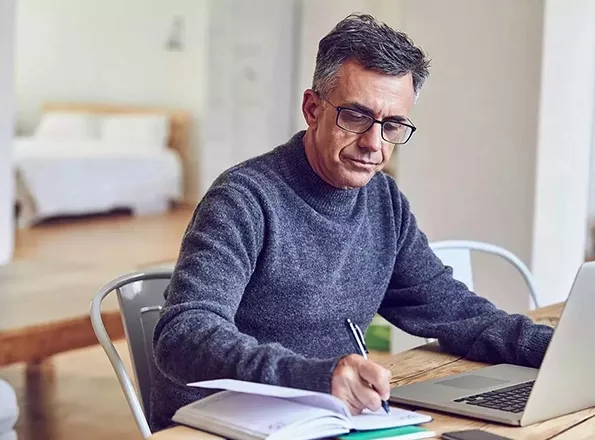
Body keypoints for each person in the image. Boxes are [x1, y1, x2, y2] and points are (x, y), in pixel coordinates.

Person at [150, 13, 553, 431]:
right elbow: (183, 334)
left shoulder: (383, 201)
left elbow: (454, 312)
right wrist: (315, 377)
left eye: (392, 124)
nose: (374, 145)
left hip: (330, 418)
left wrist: (560, 349)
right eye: (356, 117)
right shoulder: (243, 198)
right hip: (226, 421)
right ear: (312, 108)